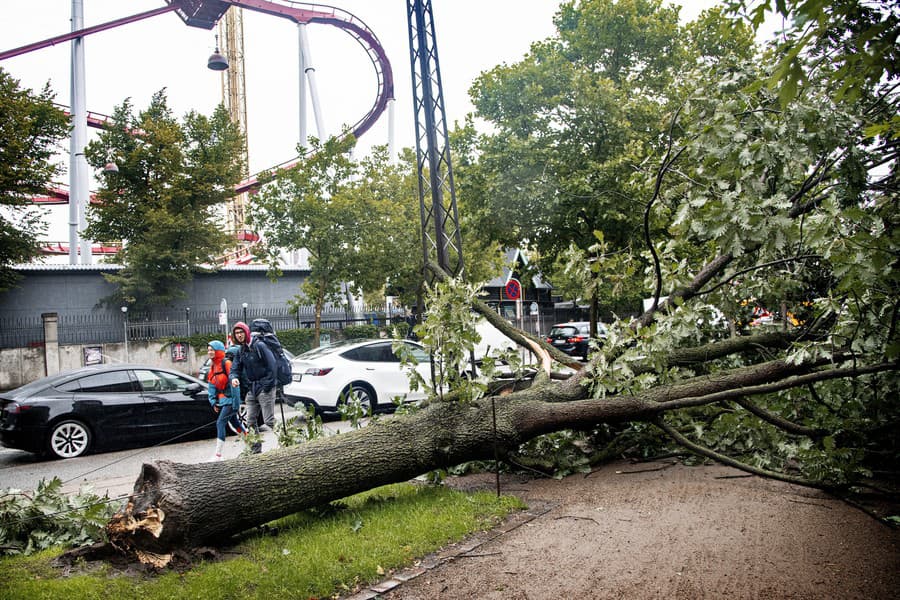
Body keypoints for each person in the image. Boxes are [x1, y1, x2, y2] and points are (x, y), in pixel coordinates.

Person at [229, 320, 276, 454]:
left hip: (264, 388)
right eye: (236, 333)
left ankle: (288, 441)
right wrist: (234, 378)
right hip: (252, 389)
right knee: (250, 422)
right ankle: (256, 451)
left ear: (246, 332)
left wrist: (266, 386)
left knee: (269, 421)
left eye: (241, 332)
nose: (239, 335)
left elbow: (272, 366)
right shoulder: (241, 350)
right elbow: (234, 369)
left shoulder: (259, 346)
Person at [206, 340, 245, 461]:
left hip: (230, 401)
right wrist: (212, 401)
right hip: (223, 401)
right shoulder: (213, 366)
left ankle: (218, 455)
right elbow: (212, 385)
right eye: (208, 350)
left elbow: (235, 383)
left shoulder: (226, 363)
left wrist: (236, 402)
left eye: (212, 350)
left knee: (220, 423)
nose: (210, 352)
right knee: (235, 423)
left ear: (218, 351)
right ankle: (251, 442)